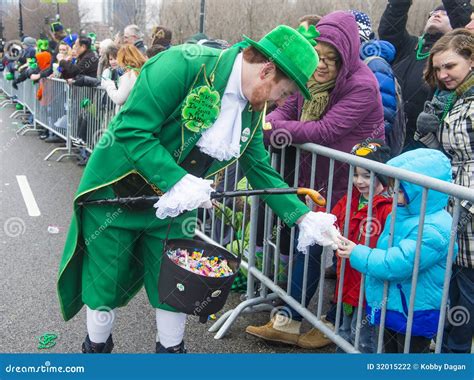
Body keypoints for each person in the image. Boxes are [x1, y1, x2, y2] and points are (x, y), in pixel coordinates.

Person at [57, 25, 341, 354]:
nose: (282, 101)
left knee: (175, 285)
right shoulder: (180, 64)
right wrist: (176, 181)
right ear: (266, 71)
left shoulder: (251, 107)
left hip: (174, 209)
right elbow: (132, 131)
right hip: (117, 195)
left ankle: (171, 354)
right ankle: (97, 350)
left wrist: (304, 218)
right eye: (285, 92)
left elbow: (260, 168)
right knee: (103, 285)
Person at [246, 11, 385, 349]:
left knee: (346, 253)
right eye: (317, 56)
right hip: (321, 179)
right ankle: (293, 318)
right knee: (309, 245)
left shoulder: (363, 85)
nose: (320, 65)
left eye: (330, 59)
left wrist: (272, 129)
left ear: (347, 56)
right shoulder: (309, 78)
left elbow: (325, 131)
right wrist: (271, 123)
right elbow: (286, 110)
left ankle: (335, 324)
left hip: (357, 183)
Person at [337, 148, 457, 353]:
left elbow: (396, 264)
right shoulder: (401, 213)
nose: (393, 194)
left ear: (421, 191)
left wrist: (357, 253)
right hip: (392, 306)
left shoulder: (434, 229)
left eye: (400, 190)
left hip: (414, 313)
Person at [414, 29, 473, 353]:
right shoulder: (449, 99)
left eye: (450, 66)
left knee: (466, 300)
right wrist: (429, 136)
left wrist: (468, 207)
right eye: (438, 69)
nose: (443, 74)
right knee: (449, 294)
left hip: (469, 213)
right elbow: (448, 155)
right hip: (451, 208)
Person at [378, 0, 472, 151]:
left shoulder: (461, 53)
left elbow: (465, 25)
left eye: (444, 13)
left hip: (425, 145)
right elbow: (390, 29)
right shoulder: (409, 45)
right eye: (433, 13)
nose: (437, 14)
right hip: (391, 136)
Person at [332, 140, 392, 353]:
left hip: (369, 288)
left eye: (367, 176)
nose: (359, 181)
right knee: (344, 332)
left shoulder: (387, 209)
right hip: (348, 279)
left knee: (365, 341)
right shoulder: (351, 199)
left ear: (382, 175)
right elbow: (334, 219)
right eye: (356, 174)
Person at [351, 10, 405, 157]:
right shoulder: (354, 63)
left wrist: (364, 148)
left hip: (370, 151)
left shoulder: (374, 64)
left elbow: (385, 114)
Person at [101, 44, 146, 108]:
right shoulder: (142, 71)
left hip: (131, 113)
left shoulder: (129, 75)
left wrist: (109, 85)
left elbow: (119, 99)